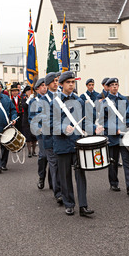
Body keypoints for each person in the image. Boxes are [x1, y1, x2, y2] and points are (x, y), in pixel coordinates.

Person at [52, 71, 104, 216]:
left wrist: (95, 128)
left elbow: (85, 121)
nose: (71, 85)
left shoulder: (79, 101)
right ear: (61, 84)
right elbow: (51, 124)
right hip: (62, 144)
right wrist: (63, 128)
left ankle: (83, 205)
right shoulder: (54, 102)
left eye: (73, 82)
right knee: (65, 176)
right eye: (68, 82)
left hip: (77, 142)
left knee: (80, 174)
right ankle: (69, 204)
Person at [99, 77, 129, 195]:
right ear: (108, 88)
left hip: (124, 134)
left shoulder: (124, 99)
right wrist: (113, 129)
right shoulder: (105, 102)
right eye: (112, 85)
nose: (114, 87)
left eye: (116, 84)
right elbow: (102, 121)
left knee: (127, 160)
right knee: (113, 161)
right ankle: (113, 182)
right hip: (112, 136)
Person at [40, 72, 62, 202]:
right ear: (47, 84)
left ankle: (59, 187)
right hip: (49, 138)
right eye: (53, 81)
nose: (56, 82)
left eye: (57, 80)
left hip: (62, 137)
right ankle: (58, 193)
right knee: (54, 165)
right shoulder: (43, 100)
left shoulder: (62, 97)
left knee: (61, 165)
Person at [29, 78, 52, 190]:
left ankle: (53, 182)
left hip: (52, 132)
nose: (44, 87)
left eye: (45, 85)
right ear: (37, 89)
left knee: (53, 157)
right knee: (43, 156)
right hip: (42, 133)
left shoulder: (50, 99)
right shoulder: (34, 102)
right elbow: (32, 118)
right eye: (42, 85)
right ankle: (41, 177)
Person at [21, 85, 38, 158]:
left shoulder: (34, 98)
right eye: (28, 91)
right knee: (28, 136)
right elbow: (24, 106)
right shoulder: (24, 98)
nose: (29, 92)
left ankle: (34, 151)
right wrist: (28, 100)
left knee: (34, 136)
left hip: (33, 118)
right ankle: (29, 151)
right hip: (26, 118)